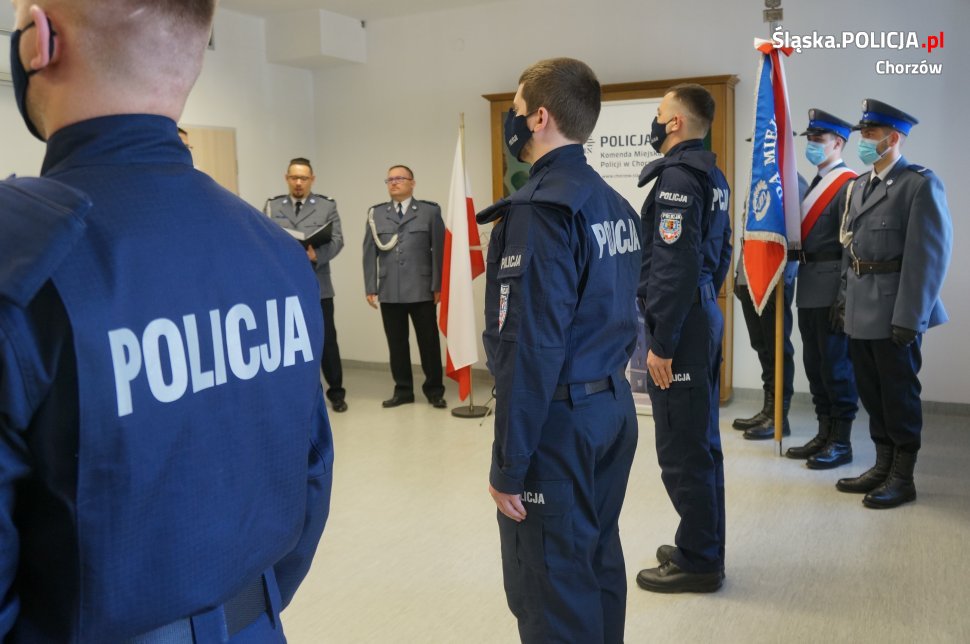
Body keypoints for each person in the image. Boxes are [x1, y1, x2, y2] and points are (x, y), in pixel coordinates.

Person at [0, 1, 333, 641]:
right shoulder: (276, 253)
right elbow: (310, 480)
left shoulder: (23, 259)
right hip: (254, 623)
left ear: (38, 40)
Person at [478, 58, 640, 642]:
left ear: (540, 117)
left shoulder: (541, 212)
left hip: (559, 424)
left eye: (517, 111)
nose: (513, 122)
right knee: (595, 561)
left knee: (549, 585)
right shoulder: (612, 205)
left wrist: (508, 466)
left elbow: (530, 347)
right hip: (611, 411)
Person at [635, 83, 731, 594]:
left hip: (682, 331)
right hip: (701, 316)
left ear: (674, 123)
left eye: (658, 113)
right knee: (703, 444)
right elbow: (720, 254)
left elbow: (673, 265)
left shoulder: (676, 176)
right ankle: (703, 544)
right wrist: (699, 304)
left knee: (683, 449)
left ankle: (698, 562)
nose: (655, 119)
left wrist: (663, 343)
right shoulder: (711, 174)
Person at [835, 99, 952, 509]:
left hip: (895, 311)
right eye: (862, 133)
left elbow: (928, 257)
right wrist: (844, 302)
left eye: (870, 134)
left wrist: (911, 317)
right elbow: (852, 252)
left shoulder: (918, 185)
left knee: (899, 394)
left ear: (893, 138)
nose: (863, 141)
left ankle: (903, 477)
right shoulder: (858, 186)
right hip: (861, 311)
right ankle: (882, 464)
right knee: (871, 391)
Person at [785, 109, 859, 468]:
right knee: (815, 365)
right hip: (810, 284)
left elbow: (851, 245)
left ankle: (841, 442)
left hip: (832, 288)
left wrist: (845, 296)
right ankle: (823, 432)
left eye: (820, 140)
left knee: (836, 366)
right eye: (810, 140)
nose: (812, 146)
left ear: (838, 143)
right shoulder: (815, 184)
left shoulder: (847, 185)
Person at [266, 157, 348, 412]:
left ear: (312, 179)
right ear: (286, 178)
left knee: (326, 341)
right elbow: (263, 238)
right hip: (284, 286)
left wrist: (317, 256)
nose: (298, 183)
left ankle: (336, 393)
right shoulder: (272, 206)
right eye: (294, 178)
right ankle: (295, 393)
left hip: (318, 285)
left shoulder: (326, 206)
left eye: (303, 178)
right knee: (288, 342)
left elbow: (337, 240)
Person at [363, 165, 448, 409]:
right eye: (389, 179)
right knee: (396, 344)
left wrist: (438, 285)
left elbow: (438, 251)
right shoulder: (376, 214)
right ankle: (403, 391)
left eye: (399, 178)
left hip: (422, 288)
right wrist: (371, 286)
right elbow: (369, 253)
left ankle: (434, 390)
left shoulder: (429, 212)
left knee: (429, 343)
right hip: (390, 289)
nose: (394, 183)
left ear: (412, 183)